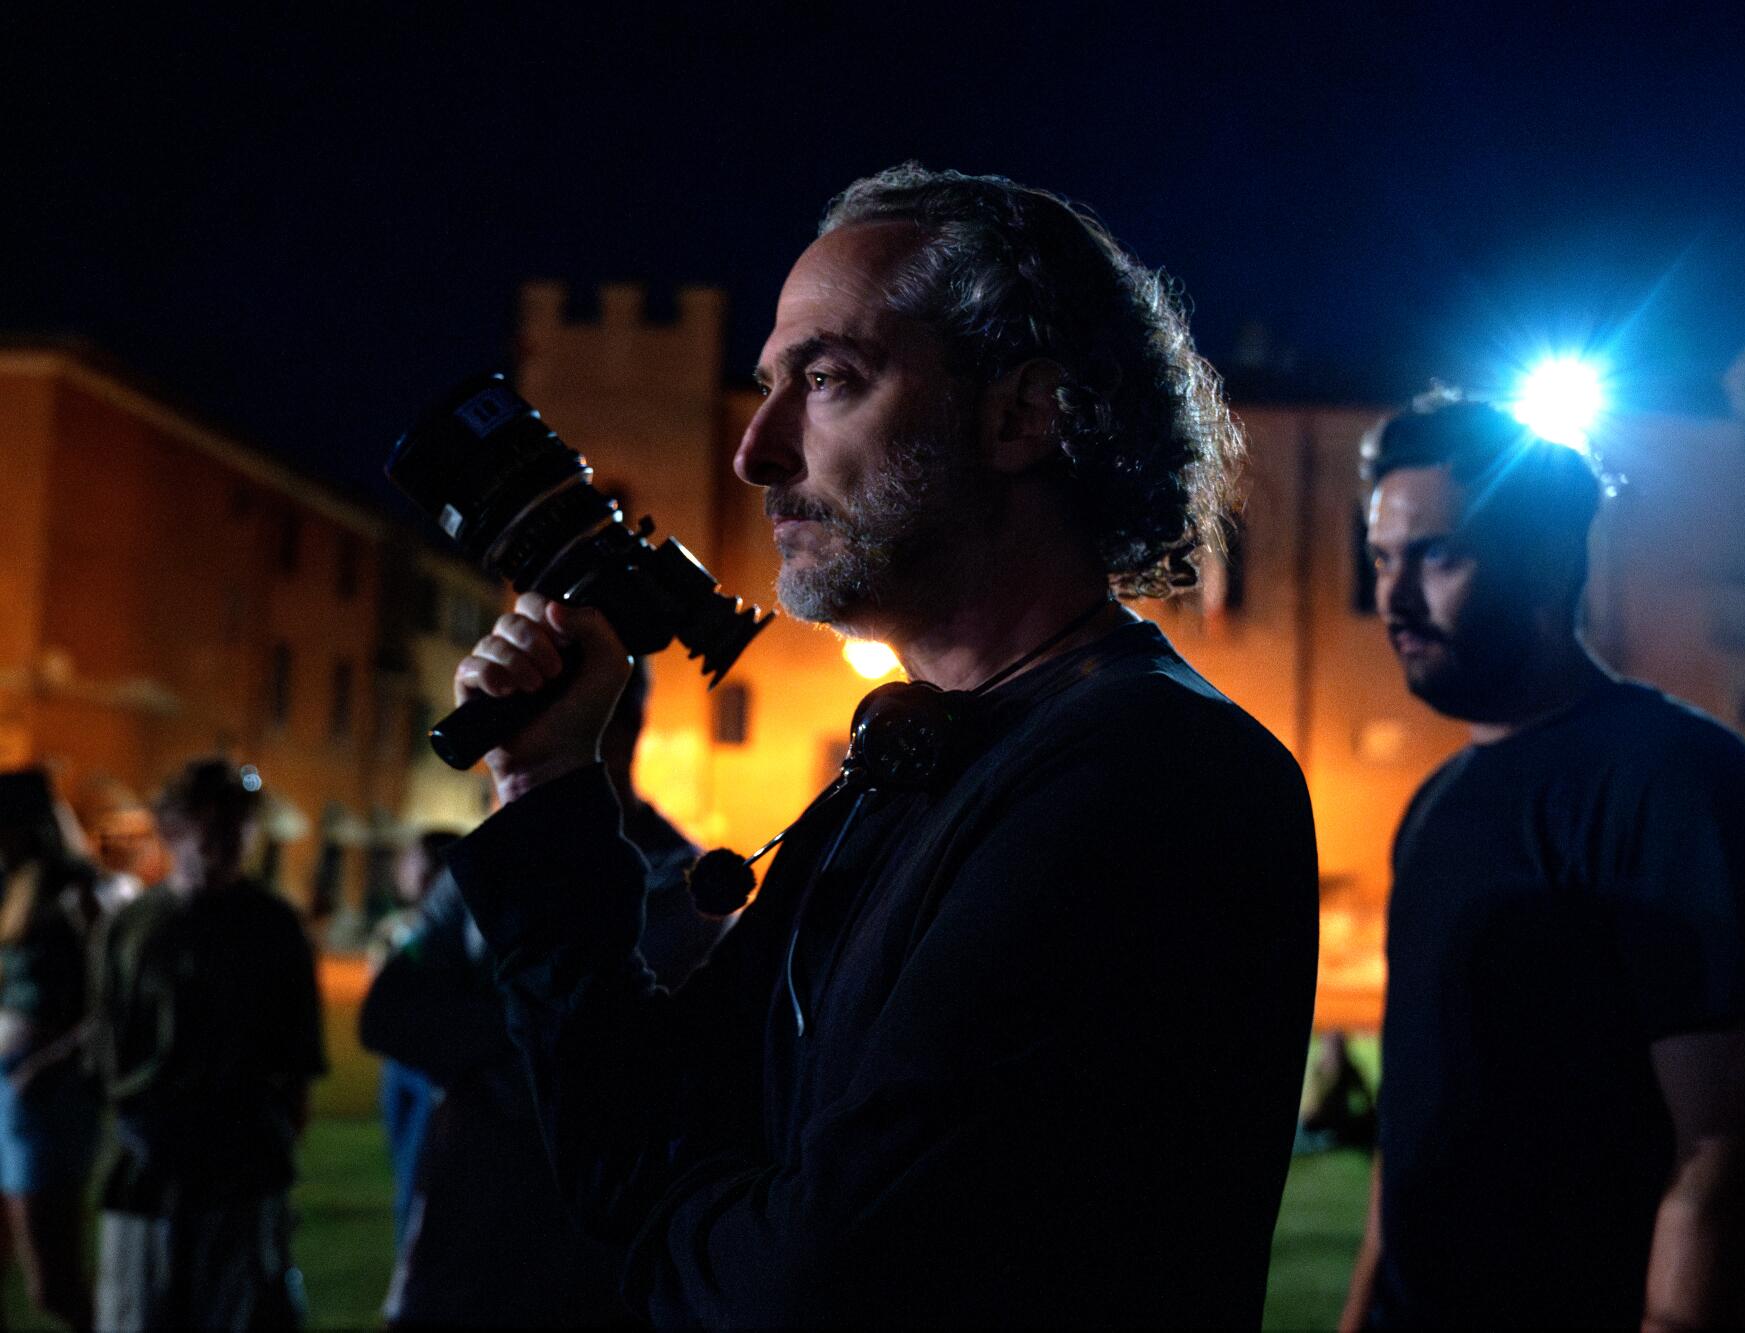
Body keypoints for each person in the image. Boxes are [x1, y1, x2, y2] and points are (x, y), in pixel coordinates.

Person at [444, 163, 1320, 1326]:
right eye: (766, 386)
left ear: (1022, 412)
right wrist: (547, 786)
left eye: (827, 379)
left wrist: (660, 1239)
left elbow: (815, 1289)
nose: (755, 451)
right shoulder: (908, 760)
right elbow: (638, 1135)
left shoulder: (1152, 780)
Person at [1341, 399, 1745, 1329]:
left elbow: (1721, 1153)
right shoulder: (1435, 805)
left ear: (1551, 561)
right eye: (1383, 556)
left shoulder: (1678, 782)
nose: (1394, 597)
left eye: (1440, 556)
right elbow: (1412, 1140)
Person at [360, 665, 709, 1329]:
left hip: (588, 1248)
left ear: (620, 724)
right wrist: (542, 1024)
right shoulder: (492, 859)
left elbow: (620, 1061)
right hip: (464, 1226)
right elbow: (391, 1010)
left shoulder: (682, 878)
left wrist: (484, 1037)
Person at [91, 759, 326, 1332]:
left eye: (239, 820)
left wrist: (270, 1140)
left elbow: (297, 1061)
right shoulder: (131, 927)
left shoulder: (275, 926)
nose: (225, 835)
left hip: (242, 1169)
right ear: (172, 828)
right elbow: (108, 1045)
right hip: (149, 1169)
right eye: (209, 819)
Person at [0, 770, 103, 1333]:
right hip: (10, 1082)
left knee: (53, 1285)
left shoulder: (73, 888)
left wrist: (50, 1062)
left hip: (43, 1092)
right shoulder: (10, 882)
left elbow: (110, 1000)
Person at [366, 828, 458, 1248]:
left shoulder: (458, 928)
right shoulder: (396, 927)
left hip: (431, 1071)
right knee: (404, 1161)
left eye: (419, 863)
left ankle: (413, 1261)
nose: (409, 872)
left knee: (419, 1175)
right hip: (398, 1063)